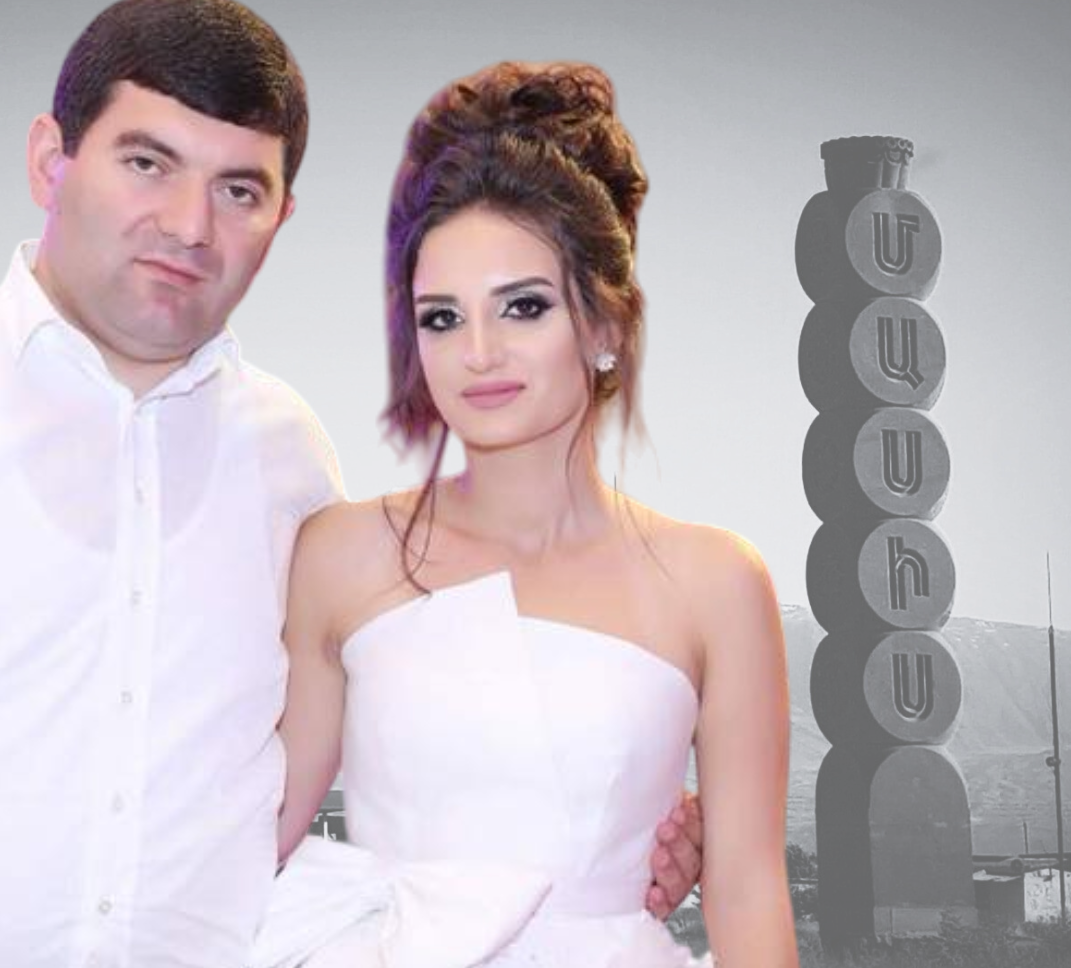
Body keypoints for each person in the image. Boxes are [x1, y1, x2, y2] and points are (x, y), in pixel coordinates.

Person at [0, 0, 703, 968]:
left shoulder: (289, 457)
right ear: (50, 160)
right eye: (148, 162)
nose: (189, 225)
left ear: (281, 218)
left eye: (239, 188)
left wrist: (616, 815)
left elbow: (386, 727)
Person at [257, 62, 797, 966]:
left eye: (523, 307)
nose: (478, 352)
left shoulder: (715, 583)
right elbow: (247, 838)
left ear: (606, 324)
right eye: (441, 318)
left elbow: (748, 894)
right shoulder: (342, 554)